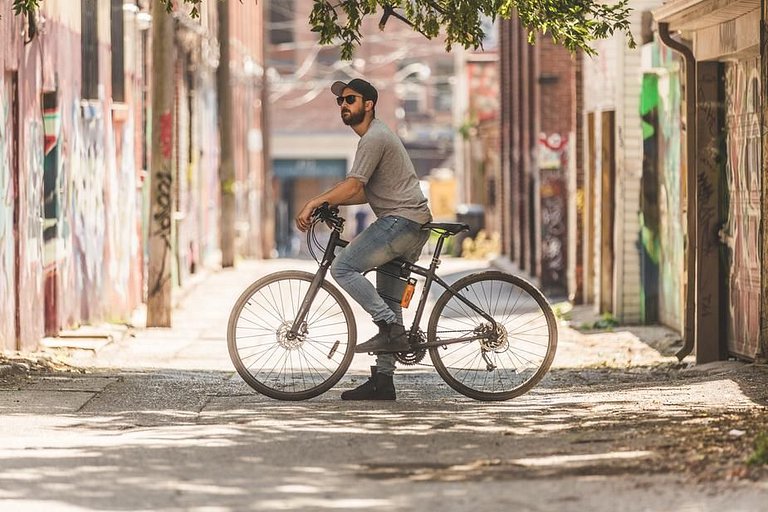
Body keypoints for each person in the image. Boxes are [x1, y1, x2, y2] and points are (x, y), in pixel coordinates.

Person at [295, 78, 432, 401]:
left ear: (368, 104)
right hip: (410, 223)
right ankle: (383, 381)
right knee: (388, 299)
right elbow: (365, 192)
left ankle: (389, 326)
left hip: (401, 222)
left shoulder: (374, 137)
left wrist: (315, 201)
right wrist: (328, 202)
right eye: (340, 101)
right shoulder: (375, 137)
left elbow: (355, 186)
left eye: (350, 100)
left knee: (343, 267)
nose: (344, 105)